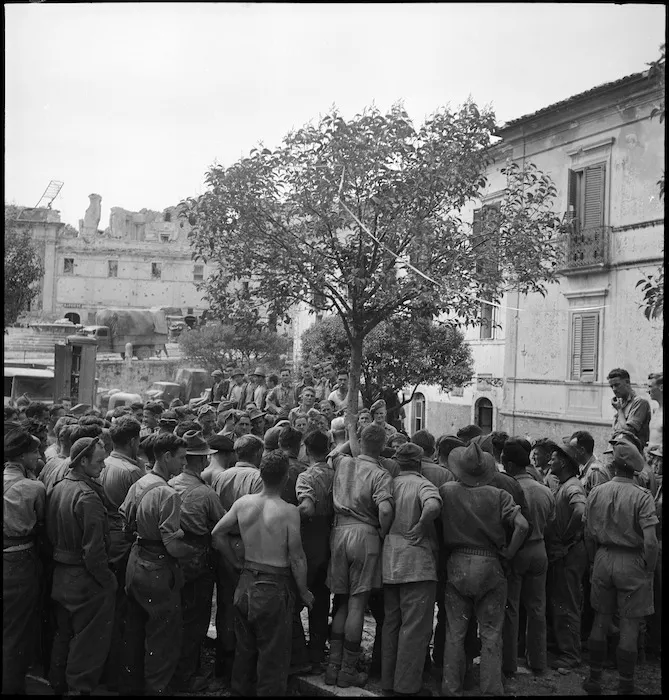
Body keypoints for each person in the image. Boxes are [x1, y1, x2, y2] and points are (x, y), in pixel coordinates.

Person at [211, 450, 314, 696]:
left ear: (261, 474)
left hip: (246, 582)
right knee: (272, 656)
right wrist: (304, 591)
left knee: (244, 651)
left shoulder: (243, 503)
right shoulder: (288, 511)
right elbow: (297, 557)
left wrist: (236, 563)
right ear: (286, 478)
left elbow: (217, 534)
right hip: (273, 587)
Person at [439, 442, 529, 696]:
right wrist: (509, 553)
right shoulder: (499, 495)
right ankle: (491, 689)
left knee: (455, 632)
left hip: (457, 564)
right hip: (489, 564)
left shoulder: (446, 491)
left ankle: (451, 688)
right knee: (491, 633)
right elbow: (522, 526)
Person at [119, 433, 197, 696]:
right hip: (158, 568)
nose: (184, 464)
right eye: (182, 458)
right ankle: (156, 690)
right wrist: (193, 552)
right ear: (166, 457)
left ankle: (132, 688)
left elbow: (125, 525)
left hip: (135, 561)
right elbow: (172, 545)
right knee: (162, 637)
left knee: (135, 630)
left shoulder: (140, 483)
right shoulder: (168, 493)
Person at [582, 440, 659, 696]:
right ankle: (625, 684)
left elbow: (588, 534)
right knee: (629, 625)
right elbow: (650, 541)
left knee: (600, 621)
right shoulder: (642, 496)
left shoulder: (596, 492)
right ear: (635, 468)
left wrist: (595, 560)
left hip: (603, 558)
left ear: (613, 466)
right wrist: (648, 568)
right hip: (632, 561)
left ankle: (594, 679)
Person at [326, 423, 394, 689]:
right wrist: (382, 532)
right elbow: (386, 510)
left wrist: (352, 437)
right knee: (357, 603)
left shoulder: (342, 463)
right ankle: (348, 671)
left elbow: (332, 454)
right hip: (365, 533)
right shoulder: (381, 473)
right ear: (383, 446)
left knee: (342, 601)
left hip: (339, 532)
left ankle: (333, 668)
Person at [46, 437, 116, 695]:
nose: (104, 465)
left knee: (64, 635)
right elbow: (94, 552)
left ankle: (57, 686)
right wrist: (108, 581)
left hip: (61, 575)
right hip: (86, 579)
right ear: (83, 461)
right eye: (99, 461)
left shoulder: (58, 486)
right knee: (88, 643)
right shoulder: (88, 497)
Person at [381, 443, 441, 697]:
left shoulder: (389, 484)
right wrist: (422, 524)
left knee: (391, 624)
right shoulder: (422, 484)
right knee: (415, 628)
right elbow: (433, 506)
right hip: (417, 564)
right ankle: (406, 687)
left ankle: (387, 682)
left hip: (390, 561)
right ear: (419, 463)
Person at [168, 431, 225, 693]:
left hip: (171, 555)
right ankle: (187, 675)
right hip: (198, 558)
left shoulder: (169, 483)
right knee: (196, 618)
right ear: (200, 461)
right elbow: (223, 523)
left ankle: (173, 671)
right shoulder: (205, 492)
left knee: (174, 615)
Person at [210, 434, 264, 679]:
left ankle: (224, 658)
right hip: (246, 542)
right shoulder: (257, 478)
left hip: (222, 541)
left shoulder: (220, 477)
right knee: (245, 605)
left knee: (224, 602)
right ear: (257, 454)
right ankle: (240, 665)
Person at [501, 438, 555, 676]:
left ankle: (510, 662)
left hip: (517, 549)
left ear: (510, 466)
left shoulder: (509, 489)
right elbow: (551, 522)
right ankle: (538, 661)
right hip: (539, 548)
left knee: (511, 608)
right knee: (537, 608)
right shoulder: (545, 490)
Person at [98, 415, 144, 690]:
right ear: (133, 441)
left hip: (105, 541)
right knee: (125, 613)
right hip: (123, 543)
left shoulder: (104, 463)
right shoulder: (132, 472)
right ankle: (120, 676)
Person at [3, 429, 46, 695]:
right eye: (34, 452)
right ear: (21, 456)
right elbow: (42, 523)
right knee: (15, 629)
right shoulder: (33, 488)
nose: (39, 456)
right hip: (20, 559)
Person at [544, 440, 587, 669]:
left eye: (554, 457)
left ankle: (571, 655)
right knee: (562, 601)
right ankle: (565, 648)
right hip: (564, 552)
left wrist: (568, 537)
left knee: (567, 603)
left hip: (568, 553)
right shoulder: (565, 483)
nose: (550, 460)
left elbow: (580, 511)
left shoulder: (571, 486)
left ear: (564, 462)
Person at [296, 430, 335, 672]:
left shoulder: (306, 477)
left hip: (311, 539)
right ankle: (317, 654)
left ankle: (299, 652)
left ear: (307, 450)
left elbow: (307, 508)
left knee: (300, 594)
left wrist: (289, 513)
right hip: (333, 537)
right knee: (322, 600)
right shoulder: (338, 473)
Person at [607, 367, 652, 451]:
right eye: (611, 386)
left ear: (627, 382)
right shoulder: (619, 403)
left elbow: (628, 432)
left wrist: (619, 410)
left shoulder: (640, 403)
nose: (614, 389)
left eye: (617, 385)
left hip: (631, 454)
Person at [646, 372, 663, 484]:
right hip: (651, 462)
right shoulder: (656, 410)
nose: (648, 391)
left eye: (650, 387)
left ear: (661, 387)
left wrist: (658, 447)